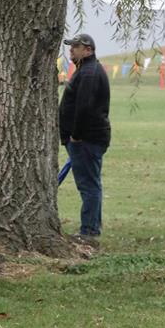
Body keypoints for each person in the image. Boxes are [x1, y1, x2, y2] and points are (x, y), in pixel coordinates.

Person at [59, 33, 111, 243]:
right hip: (86, 139)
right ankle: (92, 228)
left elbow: (84, 107)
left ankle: (89, 231)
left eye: (76, 47)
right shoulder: (86, 70)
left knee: (88, 186)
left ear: (88, 50)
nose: (71, 50)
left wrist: (76, 136)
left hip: (86, 140)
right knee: (91, 184)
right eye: (71, 46)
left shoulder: (89, 73)